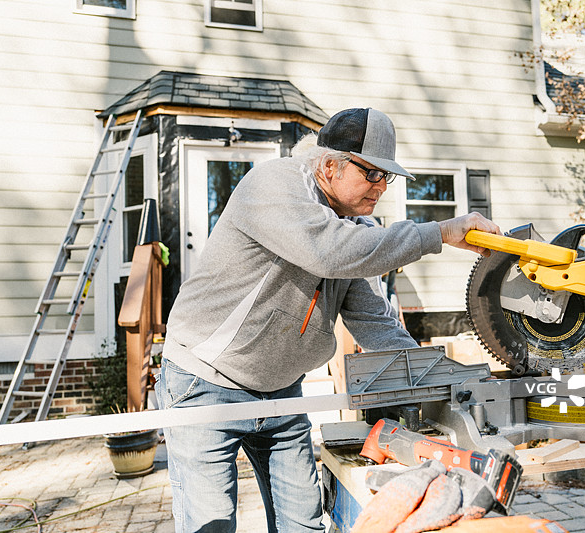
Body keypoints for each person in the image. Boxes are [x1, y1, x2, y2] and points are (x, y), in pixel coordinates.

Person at [156, 107, 501, 533]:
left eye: (386, 177)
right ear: (329, 165)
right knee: (210, 526)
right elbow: (330, 251)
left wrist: (443, 383)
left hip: (282, 392)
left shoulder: (357, 225)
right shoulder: (275, 184)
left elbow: (376, 323)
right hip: (205, 383)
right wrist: (441, 233)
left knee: (303, 523)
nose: (380, 187)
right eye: (371, 173)